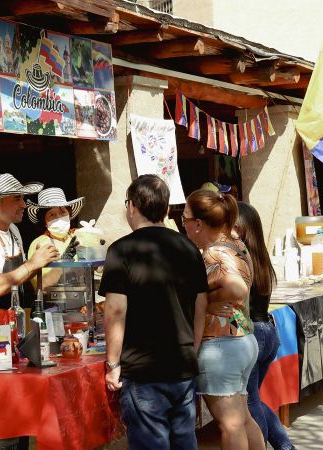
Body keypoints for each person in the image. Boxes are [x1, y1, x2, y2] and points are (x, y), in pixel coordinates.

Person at [99, 174, 208, 450]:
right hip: (182, 366)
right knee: (184, 443)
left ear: (133, 206)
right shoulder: (188, 248)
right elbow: (201, 305)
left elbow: (114, 311)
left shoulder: (120, 251)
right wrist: (192, 349)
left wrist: (112, 365)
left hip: (144, 371)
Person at [181, 189, 264, 450]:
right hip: (241, 341)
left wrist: (212, 300)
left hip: (220, 346)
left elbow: (238, 288)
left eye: (184, 218)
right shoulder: (235, 244)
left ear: (198, 224)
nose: (181, 224)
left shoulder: (212, 254)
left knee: (230, 425)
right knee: (242, 418)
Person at [236, 202, 295, 450]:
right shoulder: (259, 257)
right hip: (268, 331)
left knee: (249, 404)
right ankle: (284, 445)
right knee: (254, 400)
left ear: (241, 229)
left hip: (253, 334)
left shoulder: (240, 259)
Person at [0, 173, 59, 322]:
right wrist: (32, 263)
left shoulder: (13, 230)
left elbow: (20, 276)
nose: (24, 204)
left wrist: (41, 259)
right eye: (17, 199)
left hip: (13, 322)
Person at [26, 187, 85, 289]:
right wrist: (63, 264)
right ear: (44, 221)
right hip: (54, 303)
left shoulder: (79, 237)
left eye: (62, 212)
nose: (58, 217)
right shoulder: (40, 244)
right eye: (52, 214)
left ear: (69, 214)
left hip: (83, 301)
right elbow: (41, 286)